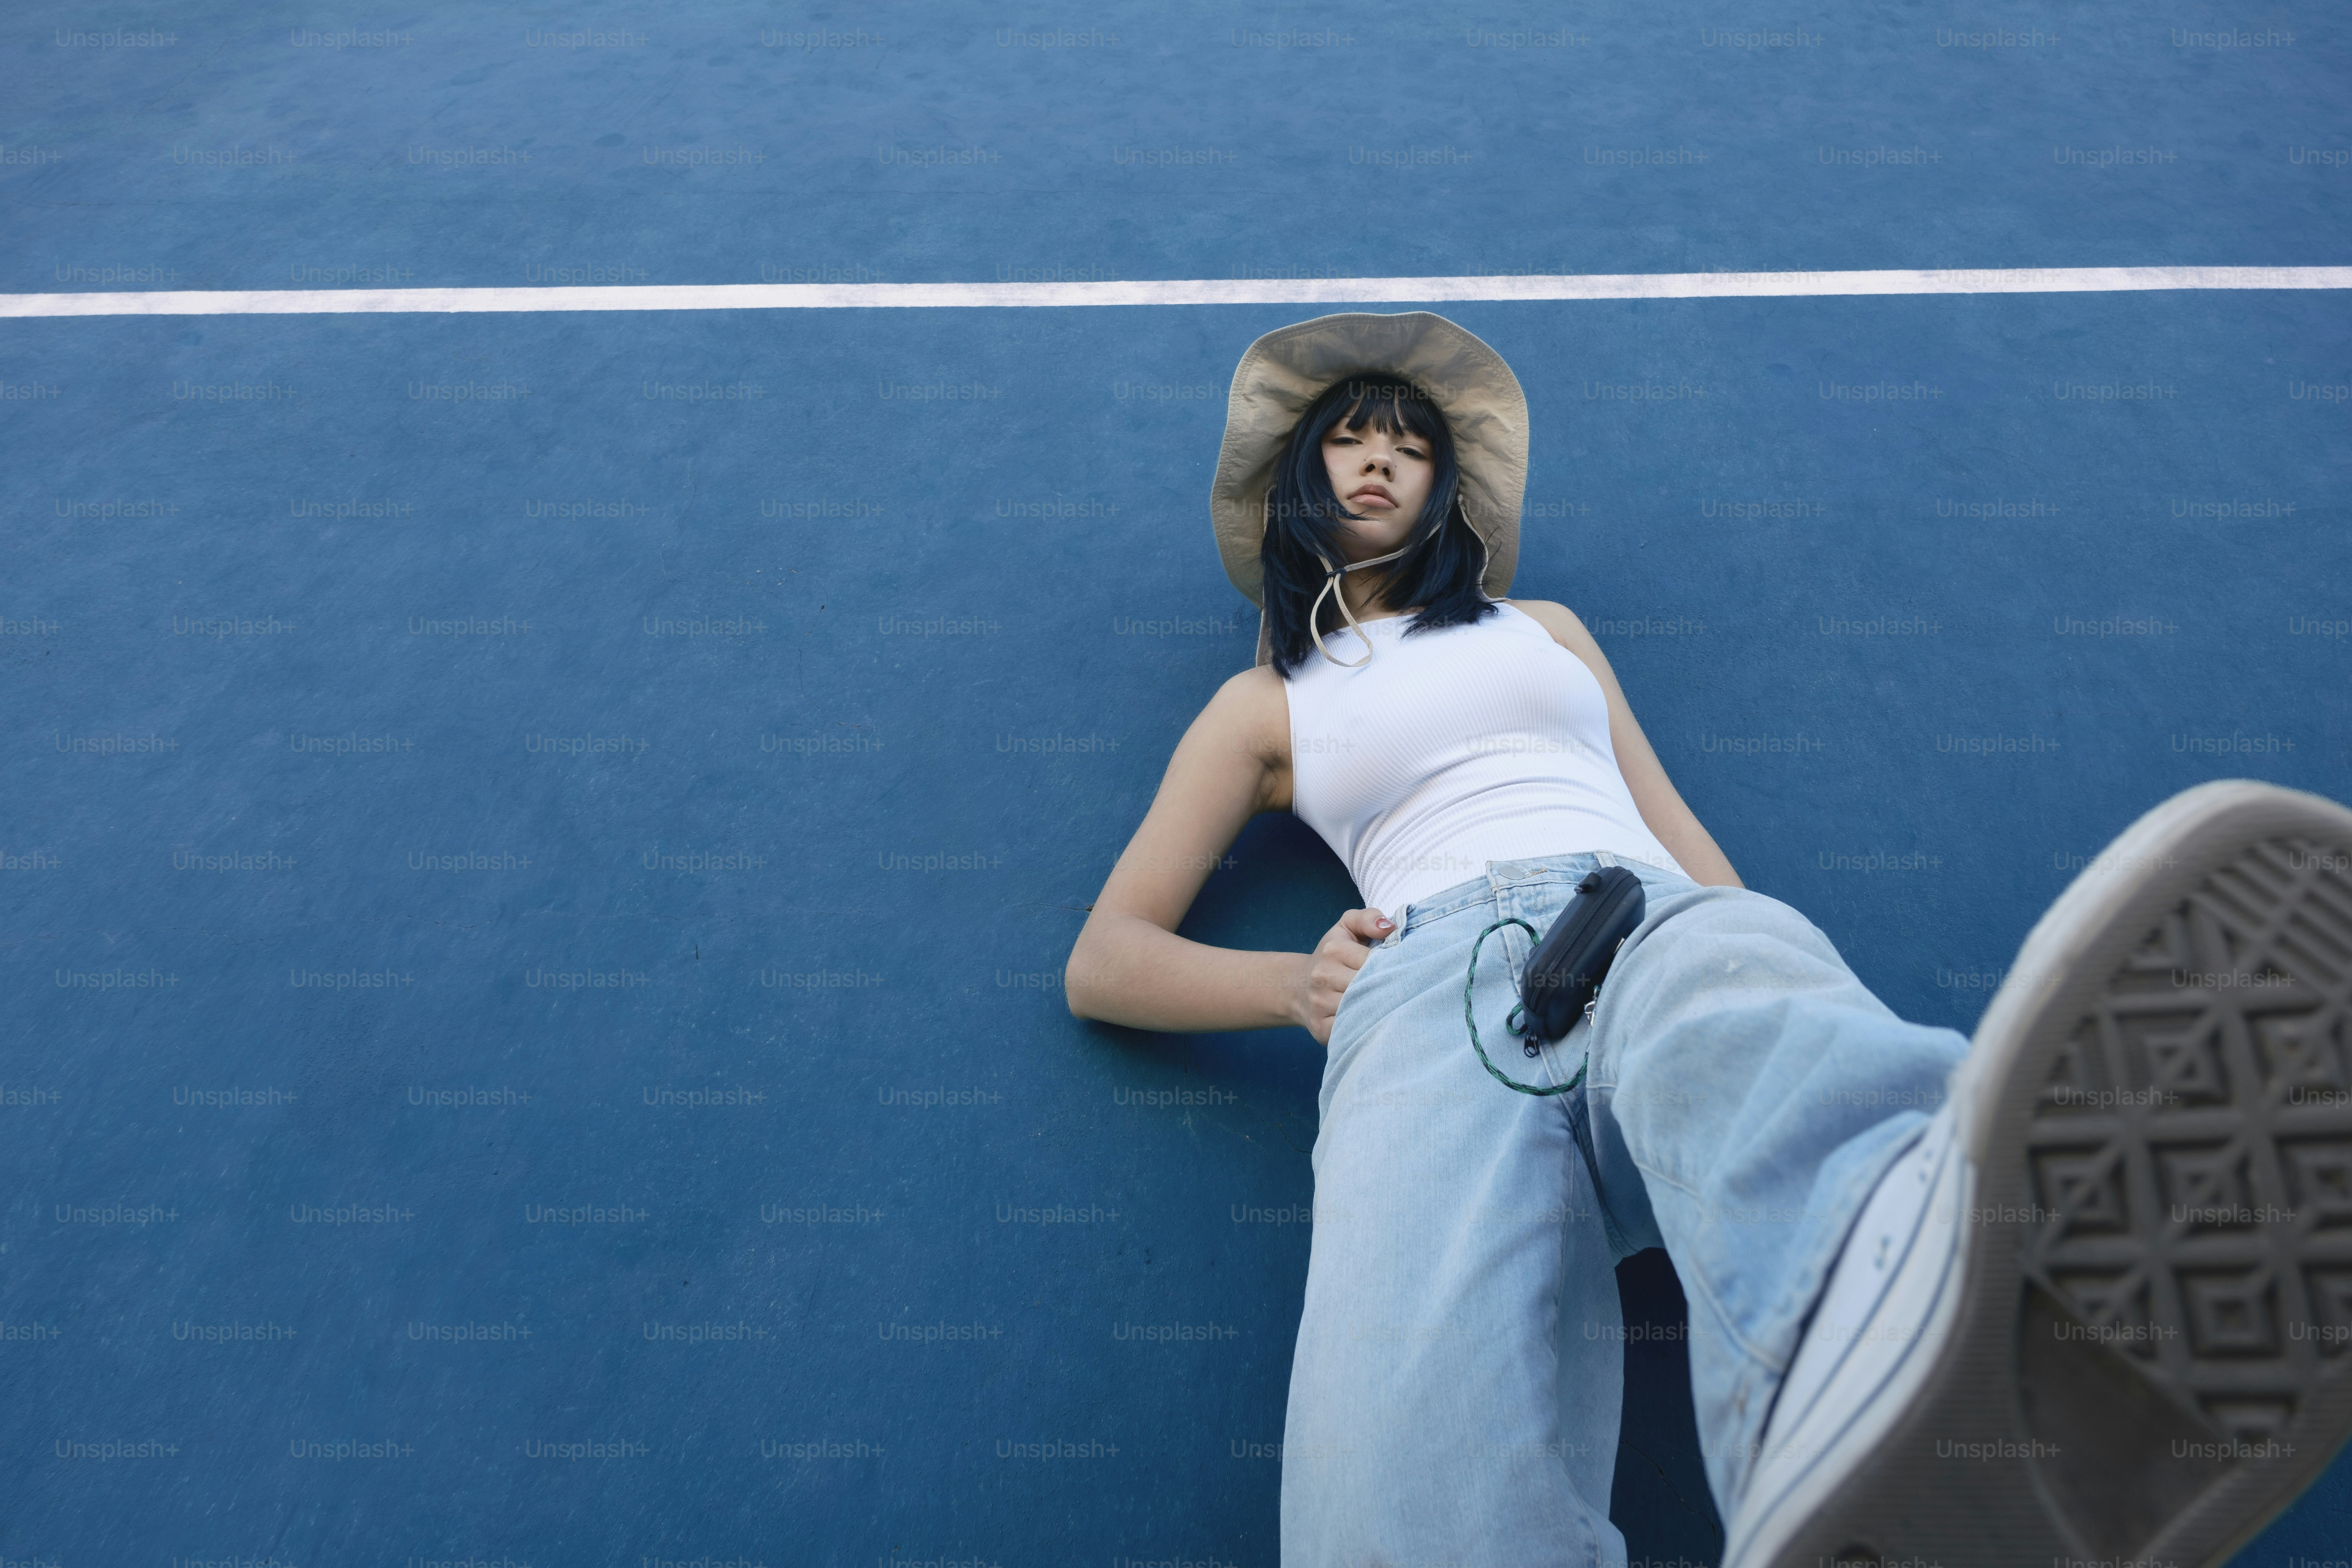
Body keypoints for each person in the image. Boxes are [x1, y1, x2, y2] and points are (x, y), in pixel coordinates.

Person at [1063, 311, 2352, 1568]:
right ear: (1304, 483)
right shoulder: (1263, 704)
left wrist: (1767, 951)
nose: (1382, 456)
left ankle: (1929, 1325)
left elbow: (1674, 834)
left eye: (1408, 440)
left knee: (1760, 1046)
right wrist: (1297, 983)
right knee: (1404, 1450)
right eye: (1350, 439)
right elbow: (1106, 957)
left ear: (1449, 487)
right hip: (1418, 995)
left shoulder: (1545, 628)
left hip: (1633, 915)